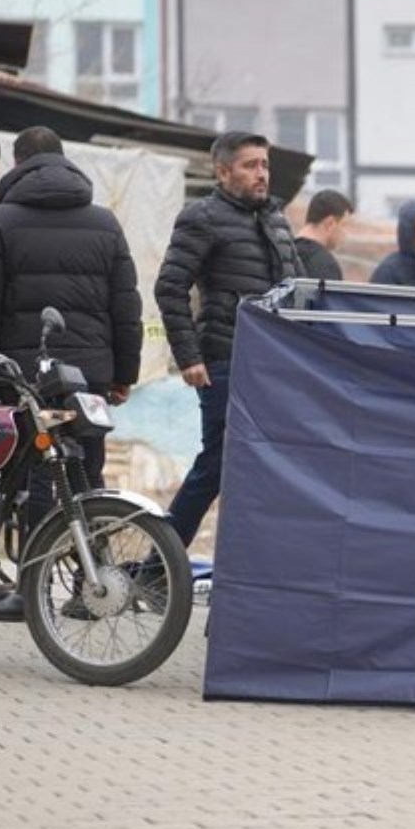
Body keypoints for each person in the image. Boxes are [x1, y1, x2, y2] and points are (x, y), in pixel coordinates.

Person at [0, 127, 143, 622]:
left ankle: (29, 593)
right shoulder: (105, 223)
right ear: (67, 162)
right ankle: (91, 589)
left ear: (18, 164)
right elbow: (126, 305)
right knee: (88, 476)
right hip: (91, 376)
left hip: (24, 375)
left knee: (37, 480)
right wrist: (123, 372)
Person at [155, 131, 304, 548]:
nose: (262, 174)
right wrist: (189, 356)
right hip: (224, 360)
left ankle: (252, 567)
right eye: (250, 165)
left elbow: (298, 291)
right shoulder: (201, 217)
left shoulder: (276, 220)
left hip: (276, 365)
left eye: (265, 165)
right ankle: (156, 568)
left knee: (269, 466)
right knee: (217, 465)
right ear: (223, 172)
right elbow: (169, 288)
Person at [293, 190, 353, 281]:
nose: (346, 234)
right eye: (344, 225)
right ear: (330, 224)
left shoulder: (284, 253)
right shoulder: (325, 265)